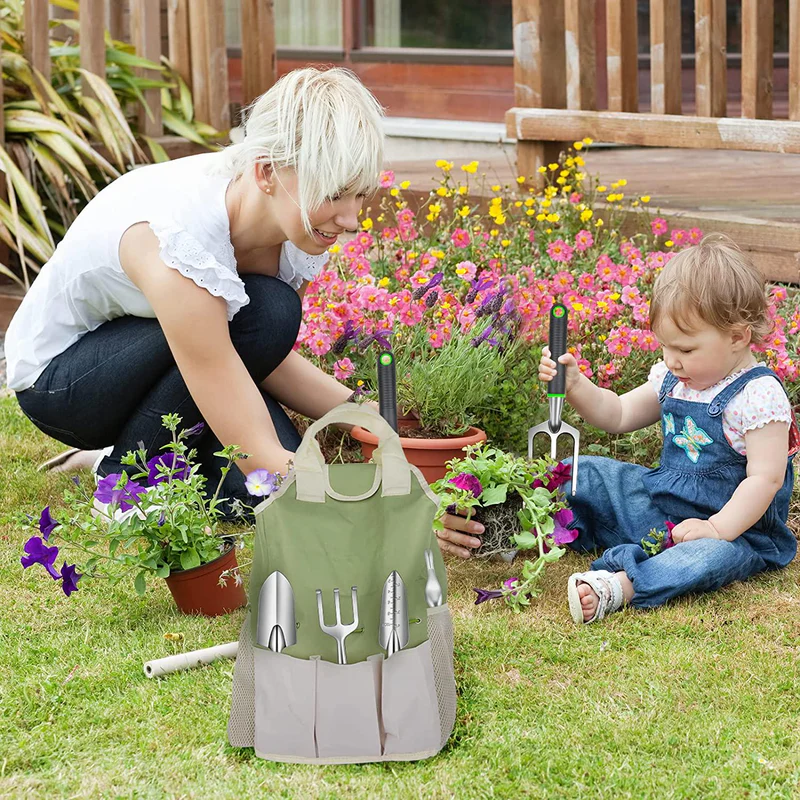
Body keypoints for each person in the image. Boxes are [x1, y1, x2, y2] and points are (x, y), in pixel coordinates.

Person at [5, 67, 385, 513]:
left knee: (246, 497)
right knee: (271, 324)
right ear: (266, 172)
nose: (352, 219)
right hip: (64, 384)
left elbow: (261, 352)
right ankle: (125, 483)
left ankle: (122, 451)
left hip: (171, 357)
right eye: (337, 194)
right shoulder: (179, 235)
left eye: (360, 195)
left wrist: (363, 413)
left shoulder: (287, 225)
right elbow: (216, 364)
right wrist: (345, 499)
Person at [536, 234, 798, 623]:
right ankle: (529, 523)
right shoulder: (672, 379)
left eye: (686, 350)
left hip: (736, 531)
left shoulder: (758, 396)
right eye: (665, 347)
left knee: (707, 559)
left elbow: (765, 479)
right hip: (660, 509)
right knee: (585, 472)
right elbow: (619, 414)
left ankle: (621, 585)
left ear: (738, 336)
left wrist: (715, 528)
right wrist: (576, 386)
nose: (672, 361)